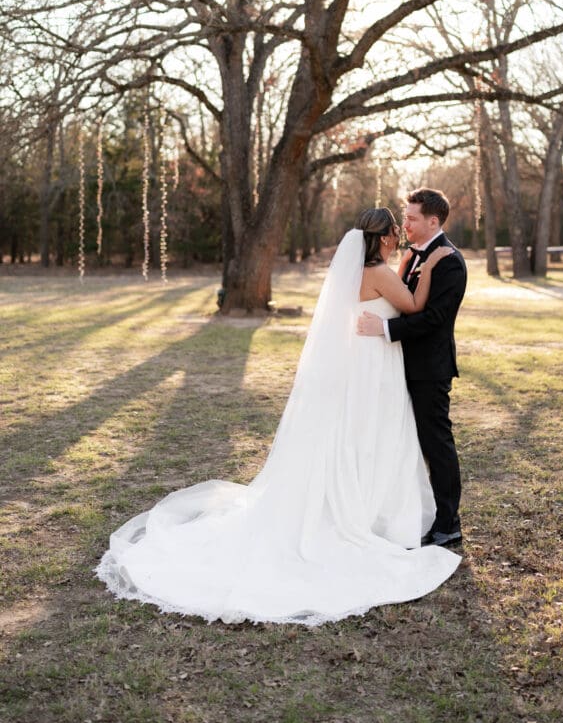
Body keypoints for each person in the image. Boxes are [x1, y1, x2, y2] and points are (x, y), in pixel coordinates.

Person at [96, 208, 460, 626]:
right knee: (373, 435)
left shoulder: (361, 270)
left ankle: (367, 507)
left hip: (359, 363)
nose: (399, 235)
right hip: (375, 365)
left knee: (353, 434)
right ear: (382, 238)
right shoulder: (381, 272)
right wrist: (429, 265)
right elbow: (413, 304)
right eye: (395, 230)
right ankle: (373, 513)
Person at [358, 188, 467, 547]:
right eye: (404, 217)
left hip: (429, 369)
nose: (404, 223)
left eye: (412, 217)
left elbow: (435, 319)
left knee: (436, 443)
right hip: (396, 365)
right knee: (402, 440)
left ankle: (448, 522)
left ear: (433, 221)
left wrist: (385, 329)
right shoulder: (413, 256)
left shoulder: (448, 260)